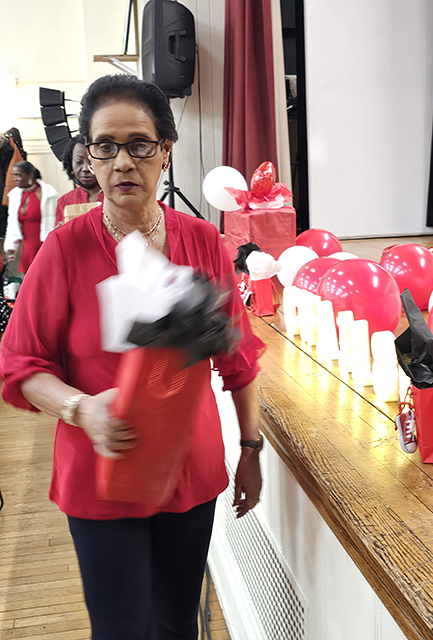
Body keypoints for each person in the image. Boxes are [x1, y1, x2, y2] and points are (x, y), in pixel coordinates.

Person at [0, 74, 265, 640]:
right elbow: (20, 364)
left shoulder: (202, 241)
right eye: (105, 146)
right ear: (89, 158)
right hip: (99, 471)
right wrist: (80, 409)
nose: (123, 162)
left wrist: (250, 448)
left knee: (176, 624)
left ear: (165, 151)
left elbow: (238, 359)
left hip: (187, 470)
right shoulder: (64, 250)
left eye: (140, 145)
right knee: (120, 629)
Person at [4, 161, 57, 273]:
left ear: (30, 175)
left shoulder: (47, 193)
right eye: (14, 175)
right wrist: (10, 246)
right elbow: (12, 223)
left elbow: (56, 220)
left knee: (45, 273)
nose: (15, 179)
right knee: (28, 275)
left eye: (19, 175)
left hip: (44, 242)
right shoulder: (15, 195)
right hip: (26, 244)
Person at [55, 135, 103, 225]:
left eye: (91, 162)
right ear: (71, 165)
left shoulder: (116, 197)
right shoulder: (64, 201)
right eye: (79, 162)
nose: (86, 168)